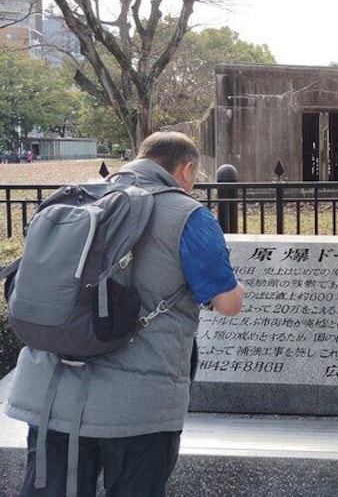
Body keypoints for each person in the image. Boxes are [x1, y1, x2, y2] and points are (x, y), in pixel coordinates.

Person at [4, 131, 244, 496]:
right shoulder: (188, 215)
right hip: (139, 405)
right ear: (187, 169)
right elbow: (228, 303)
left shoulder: (78, 200)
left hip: (50, 394)